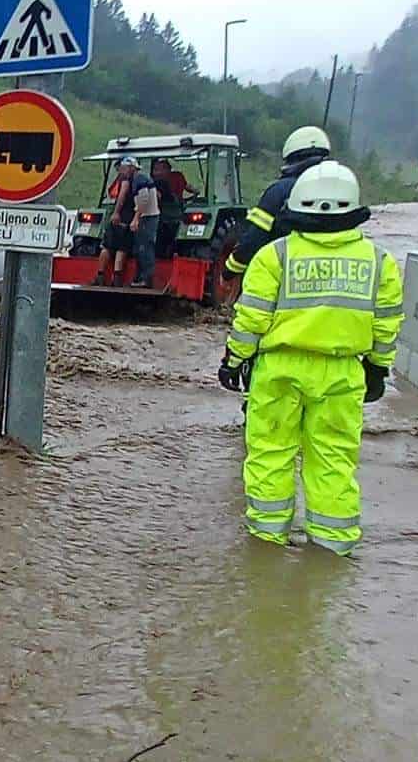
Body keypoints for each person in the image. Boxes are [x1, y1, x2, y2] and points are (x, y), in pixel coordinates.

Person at [217, 161, 403, 556]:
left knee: (270, 455)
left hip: (278, 370)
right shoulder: (380, 262)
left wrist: (233, 361)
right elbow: (386, 325)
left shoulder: (273, 257)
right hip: (342, 374)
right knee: (333, 461)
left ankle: (266, 546)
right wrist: (378, 368)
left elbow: (250, 319)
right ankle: (331, 550)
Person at [224, 126, 331, 284]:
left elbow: (254, 237)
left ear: (291, 157)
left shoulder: (279, 191)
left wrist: (229, 270)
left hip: (286, 277)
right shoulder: (338, 190)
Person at [92, 156, 142, 285]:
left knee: (108, 246)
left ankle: (100, 275)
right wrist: (117, 213)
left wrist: (115, 212)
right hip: (124, 217)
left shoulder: (124, 179)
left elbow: (120, 194)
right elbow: (123, 194)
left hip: (120, 216)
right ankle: (117, 277)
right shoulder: (130, 180)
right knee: (121, 248)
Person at [150, 157, 190, 259]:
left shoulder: (156, 182)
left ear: (168, 169)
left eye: (159, 169)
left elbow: (187, 187)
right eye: (155, 169)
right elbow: (189, 187)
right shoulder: (161, 182)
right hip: (173, 214)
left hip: (169, 214)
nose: (157, 173)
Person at [129, 164, 161, 287]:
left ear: (131, 168)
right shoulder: (142, 179)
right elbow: (156, 195)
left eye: (122, 168)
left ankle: (146, 279)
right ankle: (140, 278)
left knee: (145, 247)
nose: (120, 171)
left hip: (147, 217)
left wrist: (136, 218)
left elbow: (144, 198)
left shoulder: (140, 179)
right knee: (141, 248)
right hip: (148, 216)